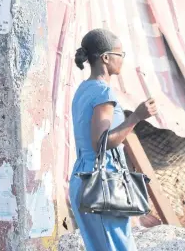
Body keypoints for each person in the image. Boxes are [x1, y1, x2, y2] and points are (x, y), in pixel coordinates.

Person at [70, 28, 158, 251]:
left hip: (84, 179)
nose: (122, 59)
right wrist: (137, 117)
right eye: (120, 54)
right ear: (106, 58)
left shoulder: (83, 89)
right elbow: (101, 142)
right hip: (103, 184)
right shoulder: (103, 93)